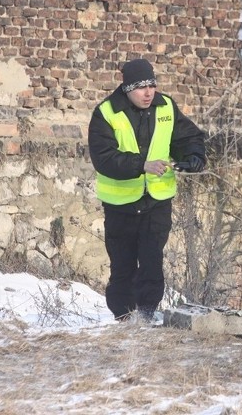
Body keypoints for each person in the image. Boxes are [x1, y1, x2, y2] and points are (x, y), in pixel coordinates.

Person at [88, 58, 206, 322]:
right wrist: (142, 165)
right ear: (127, 88)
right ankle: (124, 317)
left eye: (152, 85)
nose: (148, 92)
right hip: (121, 205)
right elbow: (104, 158)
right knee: (123, 266)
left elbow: (189, 138)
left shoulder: (166, 107)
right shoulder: (106, 113)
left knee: (152, 262)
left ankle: (147, 314)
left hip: (157, 201)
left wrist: (194, 158)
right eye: (141, 87)